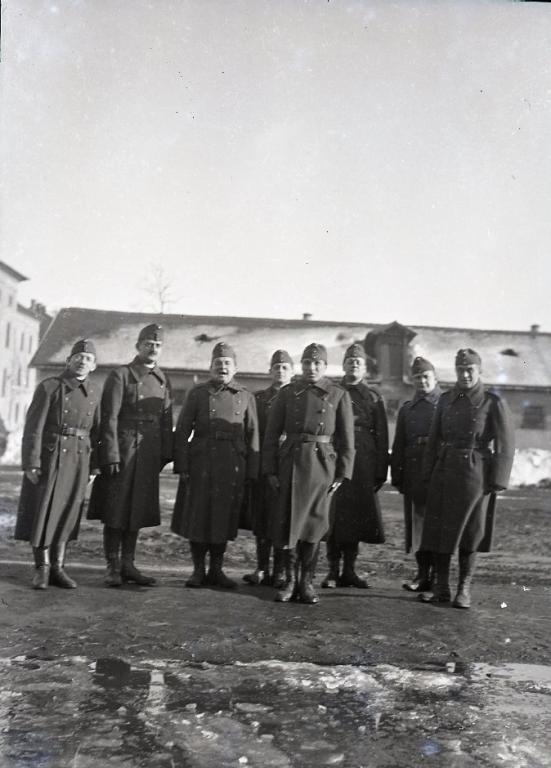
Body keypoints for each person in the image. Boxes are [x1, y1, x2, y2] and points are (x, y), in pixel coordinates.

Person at [419, 348, 515, 609]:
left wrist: (498, 479)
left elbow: (506, 443)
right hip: (444, 469)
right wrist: (428, 473)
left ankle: (464, 588)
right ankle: (441, 587)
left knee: (470, 531)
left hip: (475, 472)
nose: (464, 375)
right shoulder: (446, 400)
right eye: (460, 370)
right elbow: (434, 439)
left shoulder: (492, 402)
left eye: (469, 370)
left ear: (479, 371)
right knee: (440, 529)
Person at [263, 343, 355, 604]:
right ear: (301, 365)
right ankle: (290, 580)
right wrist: (270, 469)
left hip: (322, 466)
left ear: (325, 367)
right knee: (290, 523)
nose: (311, 368)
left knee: (314, 525)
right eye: (306, 363)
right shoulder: (288, 393)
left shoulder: (338, 394)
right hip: (290, 463)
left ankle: (307, 582)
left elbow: (347, 440)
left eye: (317, 364)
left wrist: (342, 474)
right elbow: (271, 435)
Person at [88, 323, 173, 587]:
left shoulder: (162, 379)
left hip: (147, 454)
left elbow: (166, 420)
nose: (153, 348)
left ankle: (128, 564)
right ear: (138, 346)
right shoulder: (121, 375)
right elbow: (109, 418)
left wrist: (164, 455)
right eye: (148, 344)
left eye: (157, 345)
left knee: (137, 509)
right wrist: (110, 454)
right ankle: (113, 566)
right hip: (123, 451)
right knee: (116, 509)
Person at [171, 342, 260, 589]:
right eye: (218, 363)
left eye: (227, 363)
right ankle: (198, 570)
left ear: (235, 368)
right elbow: (182, 430)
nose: (222, 367)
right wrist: (183, 465)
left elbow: (253, 435)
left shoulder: (245, 396)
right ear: (210, 367)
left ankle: (217, 570)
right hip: (201, 462)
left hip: (232, 463)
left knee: (223, 517)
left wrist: (251, 471)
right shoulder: (198, 393)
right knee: (199, 516)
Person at [15, 339, 100, 589]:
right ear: (68, 361)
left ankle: (58, 568)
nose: (82, 361)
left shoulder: (95, 392)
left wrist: (94, 466)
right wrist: (31, 463)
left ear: (94, 366)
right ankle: (42, 568)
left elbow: (97, 432)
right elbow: (33, 428)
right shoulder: (50, 387)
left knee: (67, 513)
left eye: (88, 358)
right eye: (78, 357)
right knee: (44, 511)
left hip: (79, 459)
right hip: (51, 458)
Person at [321, 343, 388, 590]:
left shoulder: (373, 397)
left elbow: (382, 436)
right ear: (343, 365)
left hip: (363, 462)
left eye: (358, 362)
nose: (354, 366)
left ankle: (349, 570)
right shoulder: (331, 392)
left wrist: (380, 470)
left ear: (365, 367)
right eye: (350, 362)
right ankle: (332, 570)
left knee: (356, 515)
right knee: (334, 514)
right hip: (335, 456)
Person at [243, 349, 294, 588]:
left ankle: (281, 570)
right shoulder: (259, 399)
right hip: (264, 462)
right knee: (262, 517)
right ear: (269, 371)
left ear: (292, 372)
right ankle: (262, 568)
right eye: (276, 368)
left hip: (287, 464)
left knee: (282, 518)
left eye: (285, 368)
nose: (280, 372)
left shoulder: (298, 397)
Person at [391, 356, 442, 592]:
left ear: (435, 378)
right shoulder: (407, 409)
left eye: (426, 376)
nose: (422, 381)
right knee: (417, 525)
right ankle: (422, 574)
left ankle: (438, 577)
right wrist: (398, 475)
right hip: (413, 471)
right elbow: (399, 444)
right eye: (417, 377)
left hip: (438, 470)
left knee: (437, 525)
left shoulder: (445, 404)